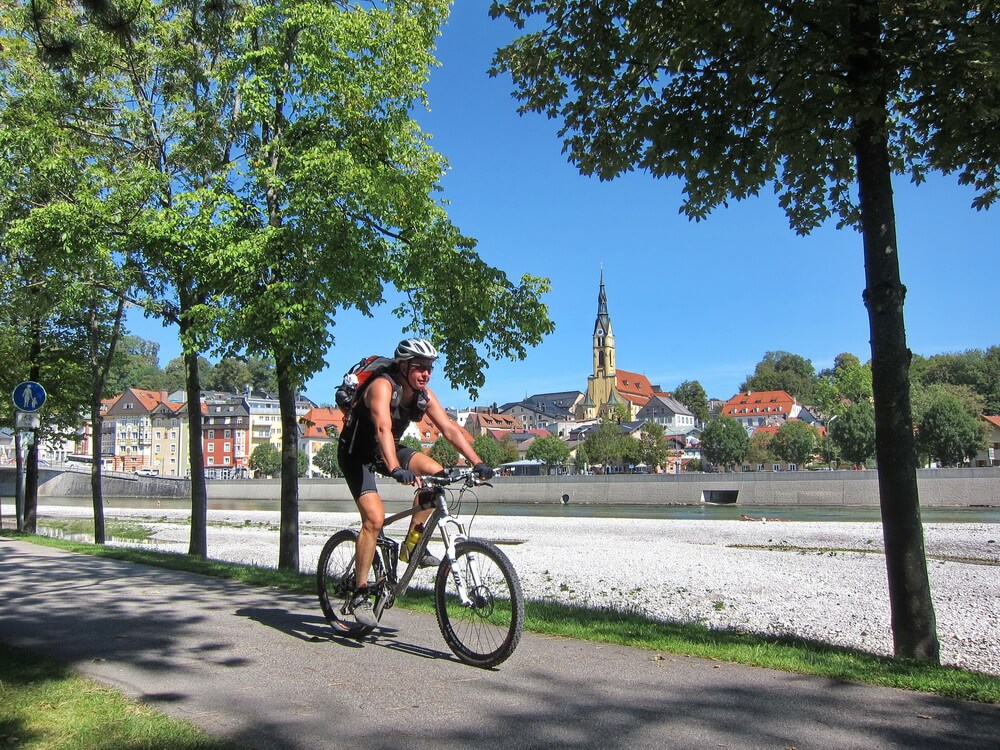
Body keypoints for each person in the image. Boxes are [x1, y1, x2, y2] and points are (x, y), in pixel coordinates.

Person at [337, 338, 494, 627]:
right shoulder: (382, 386)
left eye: (430, 368)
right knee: (374, 519)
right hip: (356, 454)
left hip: (390, 449)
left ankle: (412, 546)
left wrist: (477, 462)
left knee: (437, 476)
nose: (426, 374)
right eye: (420, 368)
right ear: (404, 366)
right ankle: (359, 592)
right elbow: (383, 426)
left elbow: (449, 428)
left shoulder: (422, 394)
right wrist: (396, 468)